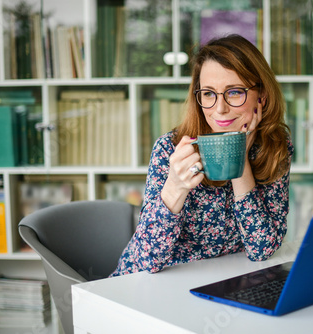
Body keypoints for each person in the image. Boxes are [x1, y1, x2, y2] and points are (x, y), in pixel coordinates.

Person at [110, 34, 293, 276]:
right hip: (148, 288)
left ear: (262, 96)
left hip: (219, 287)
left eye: (234, 92)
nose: (220, 108)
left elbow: (262, 249)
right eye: (208, 93)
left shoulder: (274, 147)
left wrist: (239, 158)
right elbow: (147, 261)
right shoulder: (171, 149)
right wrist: (175, 187)